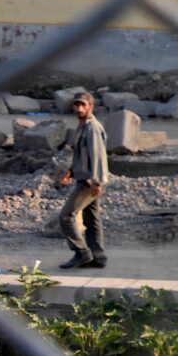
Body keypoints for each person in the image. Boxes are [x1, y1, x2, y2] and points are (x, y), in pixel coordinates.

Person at [58, 91, 109, 269]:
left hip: (89, 181)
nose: (79, 108)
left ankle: (82, 253)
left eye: (83, 105)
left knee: (66, 216)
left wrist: (97, 182)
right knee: (92, 219)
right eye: (77, 105)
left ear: (90, 107)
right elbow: (82, 154)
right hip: (85, 177)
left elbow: (98, 157)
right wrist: (71, 171)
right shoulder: (82, 126)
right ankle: (98, 256)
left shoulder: (92, 127)